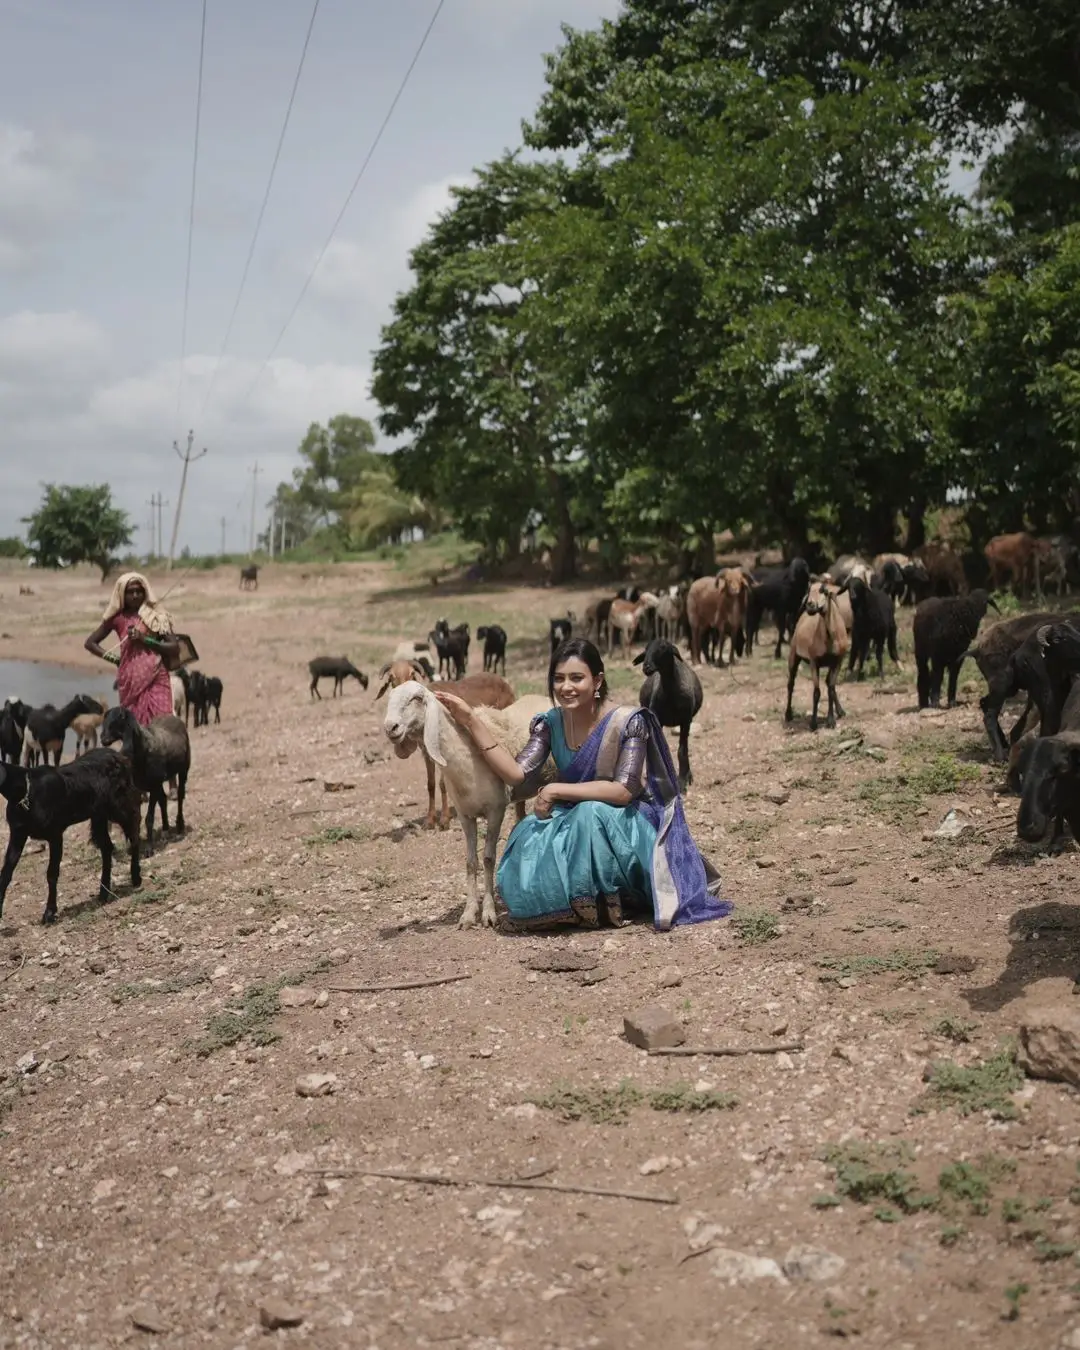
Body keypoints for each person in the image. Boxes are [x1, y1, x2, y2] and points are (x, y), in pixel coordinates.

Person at [434, 637, 731, 932]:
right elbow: (515, 774)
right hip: (577, 817)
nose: (567, 687)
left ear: (597, 681)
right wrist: (471, 721)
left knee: (590, 815)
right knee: (528, 831)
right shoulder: (550, 723)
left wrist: (556, 789)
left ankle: (609, 899)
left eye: (577, 678)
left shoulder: (626, 721)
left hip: (627, 824)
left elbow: (622, 791)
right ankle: (572, 903)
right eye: (559, 679)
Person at [85, 572, 179, 726]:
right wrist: (116, 660)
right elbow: (90, 643)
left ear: (145, 592)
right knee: (134, 728)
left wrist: (145, 639)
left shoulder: (156, 616)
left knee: (163, 724)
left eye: (139, 591)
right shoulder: (117, 619)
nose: (135, 595)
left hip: (157, 677)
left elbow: (174, 648)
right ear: (122, 594)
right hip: (130, 680)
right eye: (130, 592)